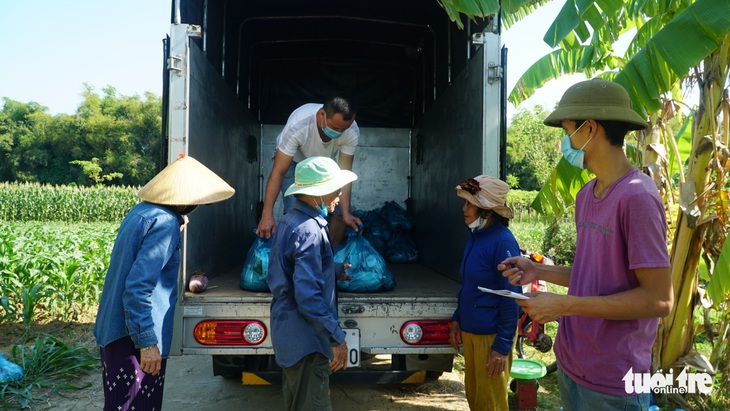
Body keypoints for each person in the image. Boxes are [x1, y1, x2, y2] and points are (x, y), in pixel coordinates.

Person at [500, 78, 673, 410]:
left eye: (568, 132)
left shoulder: (637, 196)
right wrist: (537, 270)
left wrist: (565, 306)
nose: (565, 142)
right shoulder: (585, 195)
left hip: (613, 380)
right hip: (572, 365)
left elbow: (659, 300)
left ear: (590, 128)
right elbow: (592, 275)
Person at [94, 154, 235, 411]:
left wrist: (175, 224)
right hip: (132, 338)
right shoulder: (164, 223)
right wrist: (147, 342)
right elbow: (137, 288)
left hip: (115, 332)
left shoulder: (142, 213)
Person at [267, 156, 357, 411]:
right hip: (307, 340)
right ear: (317, 193)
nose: (339, 195)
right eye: (335, 189)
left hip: (291, 336)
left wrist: (332, 269)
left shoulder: (290, 220)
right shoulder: (310, 230)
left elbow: (287, 270)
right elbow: (307, 297)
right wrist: (337, 336)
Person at [448, 175, 521, 411]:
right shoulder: (476, 237)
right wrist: (457, 319)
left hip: (490, 338)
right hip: (472, 332)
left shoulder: (501, 242)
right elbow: (471, 285)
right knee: (476, 400)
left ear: (488, 212)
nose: (464, 208)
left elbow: (512, 299)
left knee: (491, 404)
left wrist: (500, 348)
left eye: (470, 204)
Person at [256, 94, 362, 242]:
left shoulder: (350, 130)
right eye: (336, 128)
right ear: (322, 115)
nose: (339, 133)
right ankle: (297, 257)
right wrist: (267, 214)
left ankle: (326, 259)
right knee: (297, 214)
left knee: (339, 212)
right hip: (294, 162)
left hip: (321, 165)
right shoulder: (299, 124)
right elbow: (278, 172)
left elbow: (344, 174)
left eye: (343, 130)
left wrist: (345, 212)